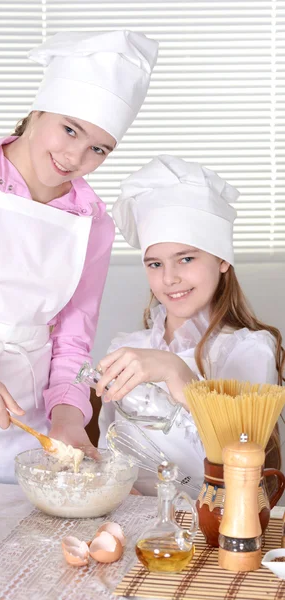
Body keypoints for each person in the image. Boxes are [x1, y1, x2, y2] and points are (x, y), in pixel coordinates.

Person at [0, 30, 159, 483]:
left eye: (99, 148)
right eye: (69, 129)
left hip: (25, 437)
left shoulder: (92, 222)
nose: (75, 156)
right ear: (38, 110)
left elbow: (73, 342)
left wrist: (69, 421)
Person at [97, 155, 285, 495]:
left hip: (209, 530)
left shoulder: (250, 350)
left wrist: (175, 372)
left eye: (186, 258)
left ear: (223, 258)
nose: (170, 278)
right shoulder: (126, 347)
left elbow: (237, 468)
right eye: (155, 263)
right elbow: (110, 451)